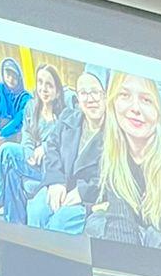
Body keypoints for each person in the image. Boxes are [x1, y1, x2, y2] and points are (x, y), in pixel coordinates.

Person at [81, 72, 161, 250]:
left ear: (158, 109)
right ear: (112, 102)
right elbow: (122, 229)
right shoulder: (113, 157)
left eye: (146, 100)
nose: (135, 108)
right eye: (124, 95)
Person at [27, 68, 106, 232]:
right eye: (83, 93)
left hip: (86, 197)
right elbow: (52, 147)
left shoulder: (114, 134)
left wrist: (83, 192)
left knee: (60, 223)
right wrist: (56, 180)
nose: (90, 99)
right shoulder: (67, 117)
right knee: (36, 211)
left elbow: (111, 174)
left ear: (105, 95)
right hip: (59, 182)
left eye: (95, 92)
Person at [0, 61, 67, 223]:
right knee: (12, 174)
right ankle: (16, 225)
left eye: (49, 85)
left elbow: (63, 144)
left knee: (7, 150)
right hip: (31, 162)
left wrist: (45, 147)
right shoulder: (30, 107)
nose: (43, 88)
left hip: (49, 168)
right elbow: (26, 136)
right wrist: (29, 155)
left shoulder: (63, 117)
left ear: (57, 92)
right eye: (40, 82)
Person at [0, 55, 31, 210]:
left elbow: (20, 120)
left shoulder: (26, 97)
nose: (11, 78)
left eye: (14, 75)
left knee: (5, 150)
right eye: (8, 74)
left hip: (14, 136)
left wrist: (2, 136)